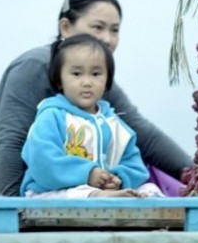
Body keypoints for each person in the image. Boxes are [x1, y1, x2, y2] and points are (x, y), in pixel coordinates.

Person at [0, 0, 191, 199]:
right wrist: (13, 211)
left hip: (70, 189)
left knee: (152, 180)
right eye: (98, 27)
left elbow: (144, 136)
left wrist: (197, 174)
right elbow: (11, 141)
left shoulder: (96, 83)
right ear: (66, 27)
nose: (107, 39)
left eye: (115, 30)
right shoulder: (34, 66)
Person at [21, 33, 162, 198]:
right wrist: (88, 174)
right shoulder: (52, 116)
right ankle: (102, 197)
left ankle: (116, 198)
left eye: (96, 74)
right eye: (76, 74)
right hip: (48, 193)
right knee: (82, 194)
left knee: (150, 189)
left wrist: (118, 179)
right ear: (59, 80)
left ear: (107, 80)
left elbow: (134, 164)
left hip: (105, 192)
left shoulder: (114, 123)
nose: (87, 82)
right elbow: (43, 161)